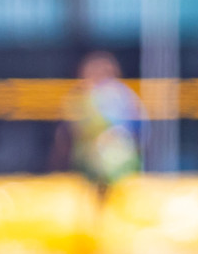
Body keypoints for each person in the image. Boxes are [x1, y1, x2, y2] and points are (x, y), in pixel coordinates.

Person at [61, 51, 145, 196]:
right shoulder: (83, 96)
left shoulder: (116, 95)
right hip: (98, 161)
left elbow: (137, 127)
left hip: (112, 161)